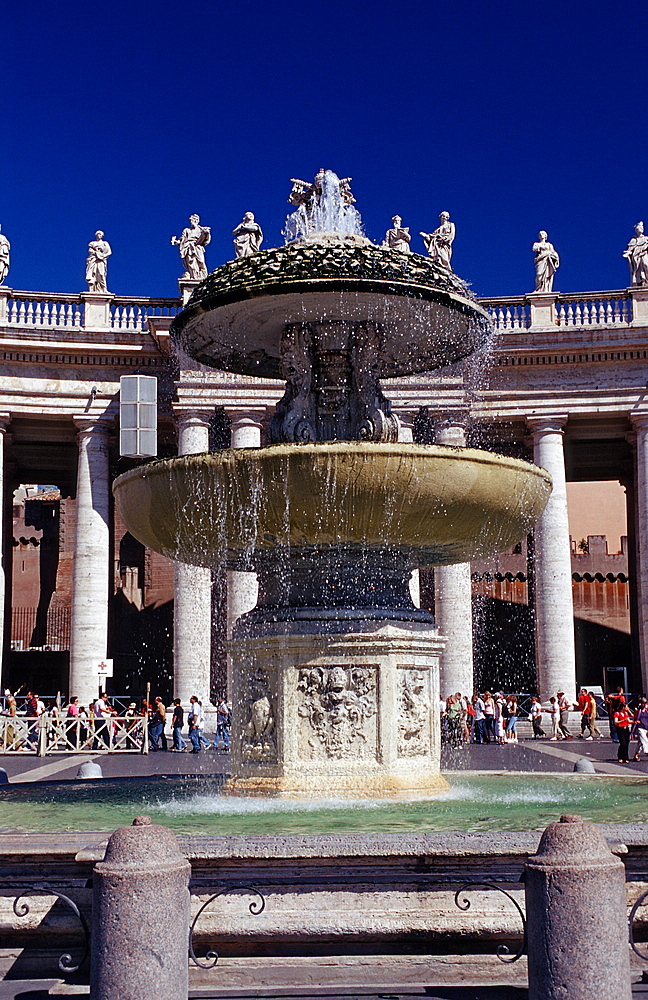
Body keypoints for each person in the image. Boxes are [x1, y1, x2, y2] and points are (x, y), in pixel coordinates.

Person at [171, 214, 211, 279]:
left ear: (198, 221)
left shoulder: (201, 229)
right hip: (188, 247)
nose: (194, 221)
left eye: (195, 219)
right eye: (192, 219)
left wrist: (207, 233)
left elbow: (206, 239)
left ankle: (203, 276)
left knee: (200, 261)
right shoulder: (186, 230)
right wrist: (177, 242)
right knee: (190, 262)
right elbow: (183, 239)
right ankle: (193, 276)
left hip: (197, 247)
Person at [623, 221, 648, 286]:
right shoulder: (634, 240)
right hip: (636, 256)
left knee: (646, 265)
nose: (641, 229)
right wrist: (627, 253)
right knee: (638, 269)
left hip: (644, 254)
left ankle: (646, 280)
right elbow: (630, 249)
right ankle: (642, 281)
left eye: (642, 228)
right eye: (639, 228)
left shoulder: (646, 239)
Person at [632, 697, 648, 761]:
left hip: (646, 727)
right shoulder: (638, 711)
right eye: (642, 703)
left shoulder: (647, 711)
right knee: (645, 740)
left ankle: (636, 755)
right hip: (640, 727)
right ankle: (647, 751)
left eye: (645, 703)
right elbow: (634, 718)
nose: (643, 705)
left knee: (640, 742)